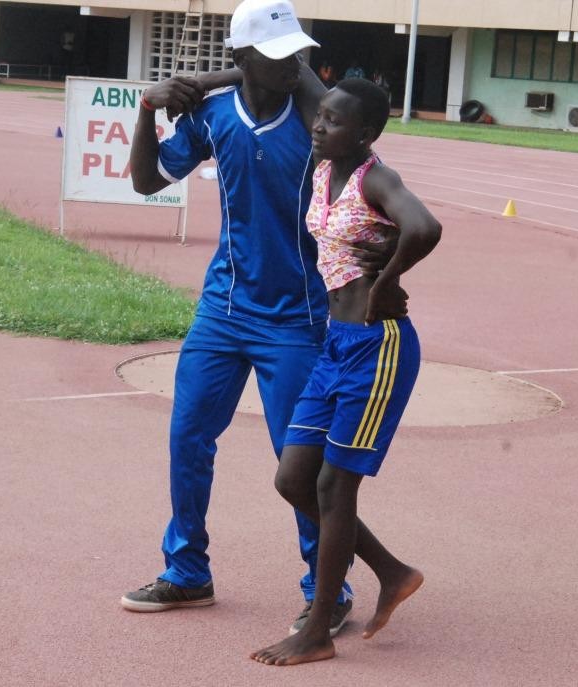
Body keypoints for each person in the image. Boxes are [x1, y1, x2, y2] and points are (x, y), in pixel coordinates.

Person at [121, 0, 405, 636]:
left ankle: (325, 588)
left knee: (297, 464)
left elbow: (313, 91)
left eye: (298, 53)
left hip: (297, 320)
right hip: (222, 311)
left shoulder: (317, 125)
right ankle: (187, 571)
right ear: (245, 57)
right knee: (187, 438)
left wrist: (226, 73)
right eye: (277, 55)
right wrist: (149, 105)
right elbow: (145, 181)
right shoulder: (213, 116)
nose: (295, 64)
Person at [250, 78, 442, 666]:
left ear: (366, 134)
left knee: (335, 487)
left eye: (333, 121)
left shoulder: (376, 178)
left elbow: (426, 227)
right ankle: (391, 571)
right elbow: (301, 79)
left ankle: (316, 634)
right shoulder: (323, 169)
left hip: (377, 348)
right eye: (321, 116)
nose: (319, 125)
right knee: (293, 479)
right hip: (335, 344)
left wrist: (386, 285)